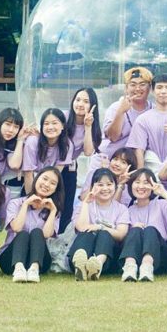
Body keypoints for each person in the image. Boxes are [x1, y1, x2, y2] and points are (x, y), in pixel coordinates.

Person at [119, 168, 167, 282]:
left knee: (150, 229)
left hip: (162, 257)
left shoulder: (161, 204)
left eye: (146, 183)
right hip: (137, 257)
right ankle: (129, 267)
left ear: (152, 186)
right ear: (131, 186)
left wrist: (163, 193)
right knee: (135, 230)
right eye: (137, 182)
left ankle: (147, 266)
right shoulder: (128, 210)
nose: (141, 186)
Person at [0, 166, 63, 283]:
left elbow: (46, 234)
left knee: (37, 232)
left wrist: (53, 211)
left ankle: (34, 269)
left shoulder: (53, 210)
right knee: (23, 233)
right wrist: (25, 204)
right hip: (10, 260)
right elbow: (17, 228)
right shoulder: (15, 203)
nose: (47, 184)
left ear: (55, 189)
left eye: (53, 183)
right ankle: (19, 269)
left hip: (40, 261)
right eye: (45, 179)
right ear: (36, 179)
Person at [68, 168, 129, 280]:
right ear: (92, 187)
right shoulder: (82, 205)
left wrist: (100, 227)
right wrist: (86, 203)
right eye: (100, 185)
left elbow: (121, 234)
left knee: (104, 234)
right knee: (87, 233)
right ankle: (80, 266)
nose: (105, 188)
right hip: (84, 249)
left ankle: (97, 265)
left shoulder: (121, 209)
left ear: (115, 186)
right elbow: (81, 227)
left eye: (109, 184)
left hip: (108, 260)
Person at [127, 73, 167, 171]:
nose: (163, 91)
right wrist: (140, 174)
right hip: (154, 171)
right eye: (159, 87)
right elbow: (139, 150)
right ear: (153, 91)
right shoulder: (143, 119)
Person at [63, 87, 102, 230]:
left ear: (92, 105)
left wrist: (87, 127)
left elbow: (88, 151)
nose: (80, 104)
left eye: (86, 101)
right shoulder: (63, 117)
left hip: (69, 168)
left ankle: (60, 236)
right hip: (51, 165)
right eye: (78, 100)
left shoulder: (93, 126)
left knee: (66, 206)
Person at [101, 67, 155, 158]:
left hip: (139, 161)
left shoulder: (154, 109)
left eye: (142, 84)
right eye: (133, 84)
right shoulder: (115, 107)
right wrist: (121, 112)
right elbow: (112, 137)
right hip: (110, 159)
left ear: (149, 88)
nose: (137, 88)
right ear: (126, 88)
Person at [22, 108, 74, 193]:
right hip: (31, 182)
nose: (50, 127)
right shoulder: (32, 142)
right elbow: (28, 174)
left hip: (49, 185)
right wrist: (31, 197)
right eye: (46, 124)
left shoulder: (67, 145)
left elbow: (54, 175)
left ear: (63, 126)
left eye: (54, 123)